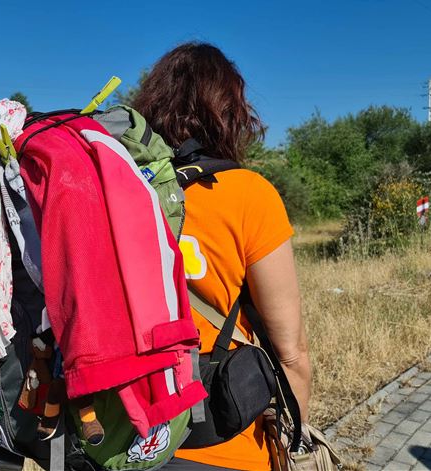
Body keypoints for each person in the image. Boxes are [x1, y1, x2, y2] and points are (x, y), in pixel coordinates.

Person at [133, 42, 313, 471]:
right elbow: (292, 353)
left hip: (123, 437)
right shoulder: (248, 194)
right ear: (229, 113)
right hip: (223, 441)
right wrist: (297, 438)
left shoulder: (118, 195)